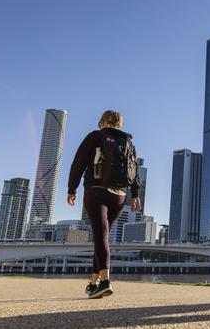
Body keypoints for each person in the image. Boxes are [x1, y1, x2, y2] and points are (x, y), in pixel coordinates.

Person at [67, 110, 142, 299]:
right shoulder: (129, 143)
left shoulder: (95, 136)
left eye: (100, 121)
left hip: (97, 190)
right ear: (119, 124)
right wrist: (135, 194)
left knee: (101, 235)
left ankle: (105, 282)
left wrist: (72, 188)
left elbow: (79, 162)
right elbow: (135, 170)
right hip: (120, 195)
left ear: (103, 122)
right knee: (104, 236)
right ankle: (93, 283)